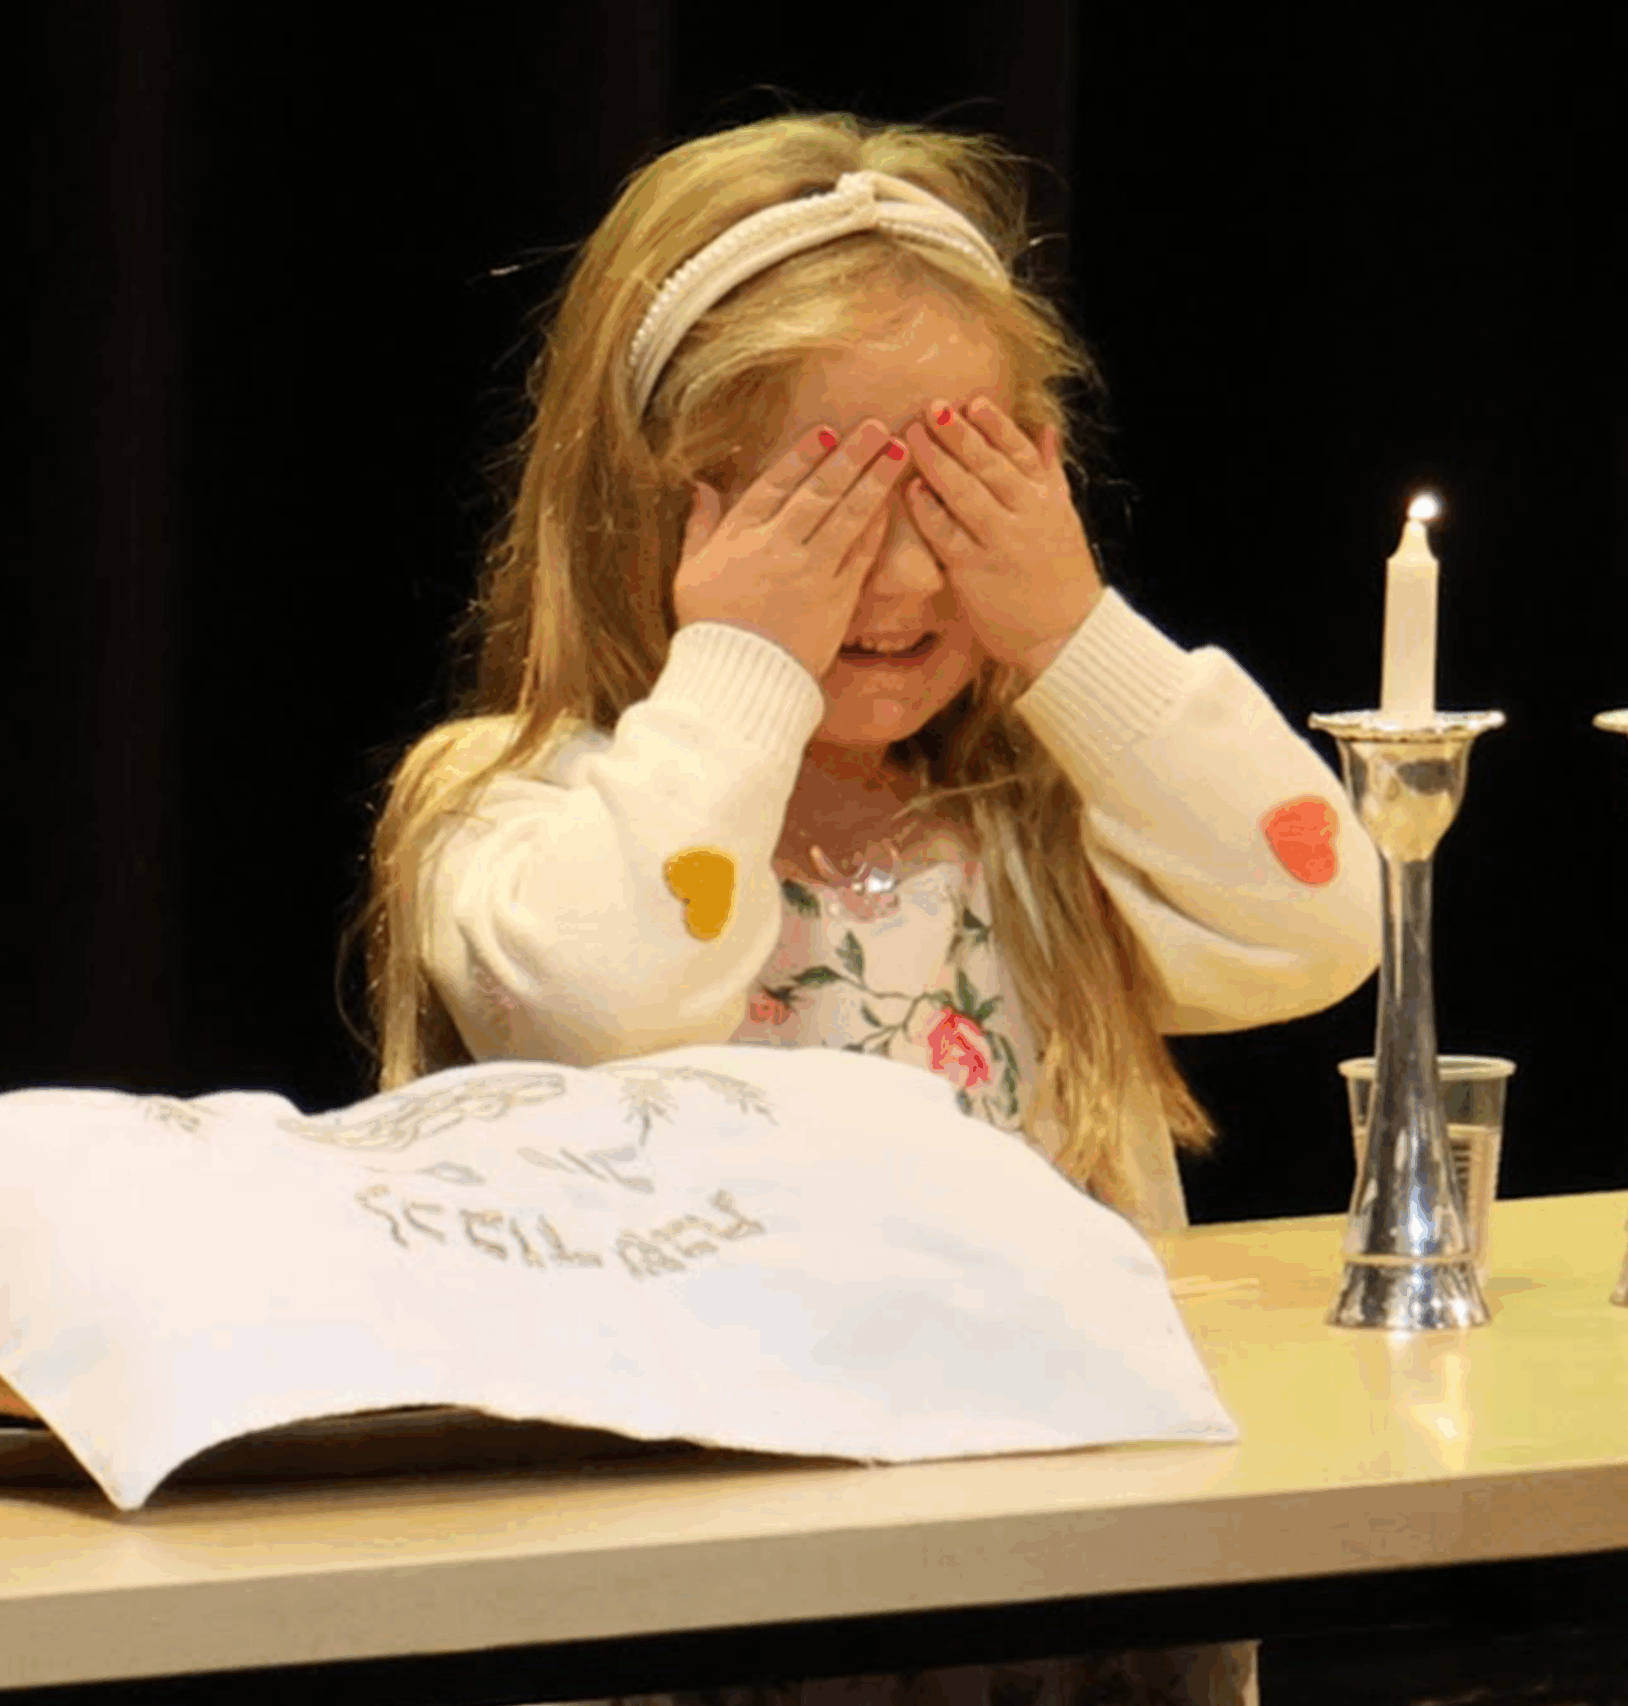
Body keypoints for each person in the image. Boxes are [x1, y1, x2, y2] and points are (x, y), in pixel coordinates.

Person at [364, 113, 1380, 1704]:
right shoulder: (523, 809)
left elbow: (1317, 917)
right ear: (648, 513)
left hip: (1070, 1598)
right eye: (822, 511)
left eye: (963, 499)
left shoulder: (1039, 820)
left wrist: (1071, 637)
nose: (902, 579)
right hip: (707, 1608)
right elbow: (604, 992)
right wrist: (745, 668)